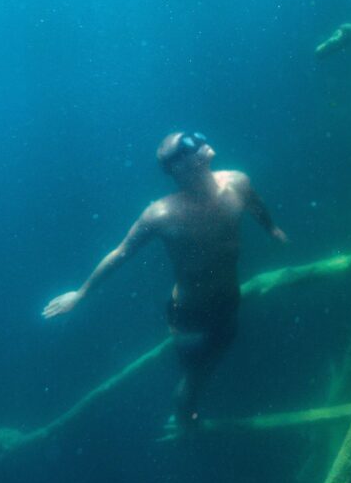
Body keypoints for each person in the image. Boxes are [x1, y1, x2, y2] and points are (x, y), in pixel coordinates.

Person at [42, 131, 287, 428]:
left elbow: (256, 203)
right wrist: (80, 294)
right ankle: (184, 420)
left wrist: (271, 229)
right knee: (195, 379)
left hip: (228, 300)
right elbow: (121, 253)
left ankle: (196, 401)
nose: (198, 141)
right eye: (187, 144)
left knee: (221, 347)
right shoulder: (161, 215)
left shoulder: (238, 182)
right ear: (177, 168)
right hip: (190, 315)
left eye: (196, 136)